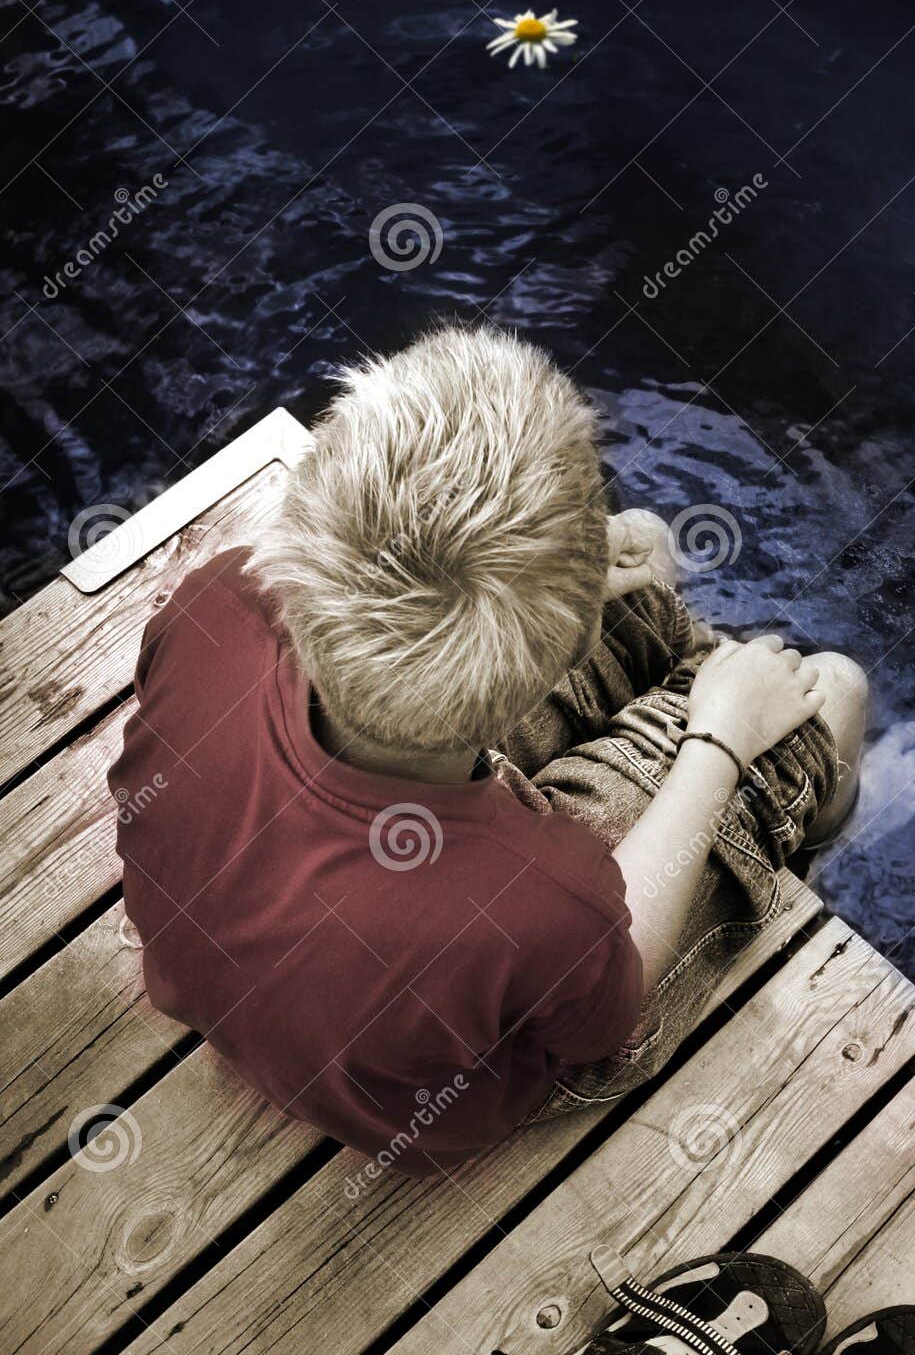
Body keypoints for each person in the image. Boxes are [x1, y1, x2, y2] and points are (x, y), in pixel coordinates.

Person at [108, 324, 867, 1172]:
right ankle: (801, 822)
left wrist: (573, 586)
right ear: (558, 656)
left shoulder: (216, 603)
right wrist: (720, 745)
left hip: (281, 948)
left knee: (645, 556)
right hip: (443, 1080)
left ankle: (697, 695)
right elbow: (609, 1006)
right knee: (831, 691)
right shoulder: (541, 900)